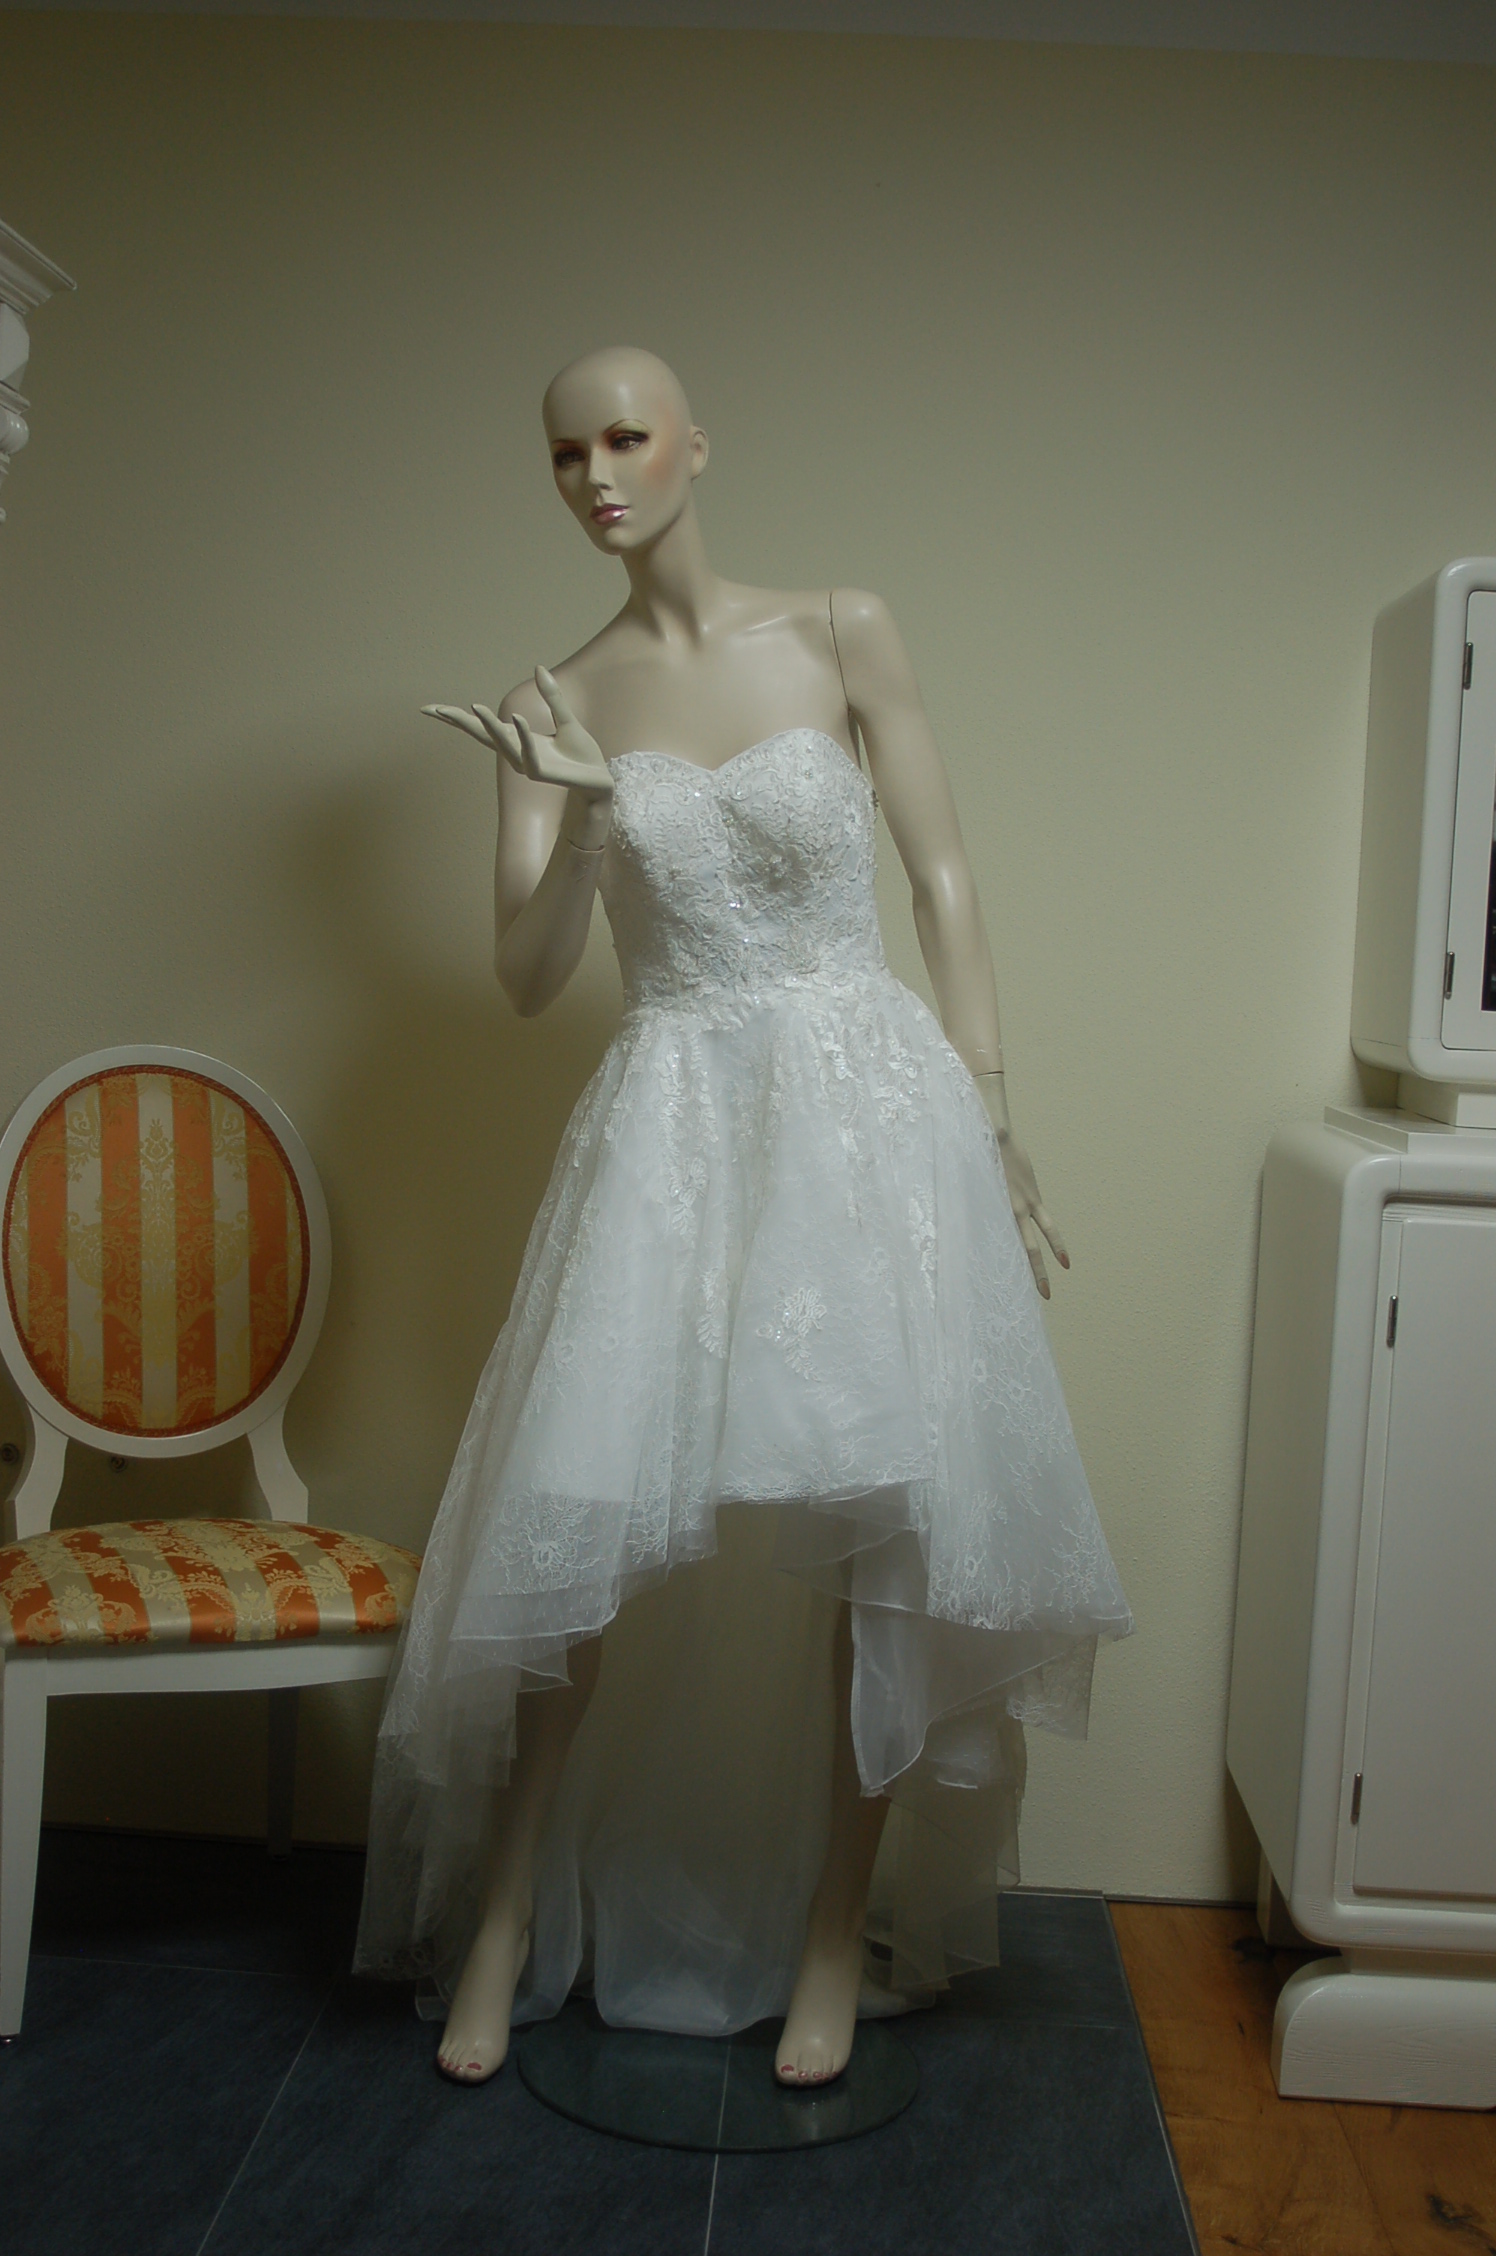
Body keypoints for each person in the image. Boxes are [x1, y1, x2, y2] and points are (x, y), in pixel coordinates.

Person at [353, 346, 1131, 2089]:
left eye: (626, 436)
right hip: (674, 1115)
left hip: (864, 1109)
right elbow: (526, 976)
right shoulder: (552, 697)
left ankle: (837, 1933)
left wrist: (993, 1119)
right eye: (566, 451)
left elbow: (942, 877)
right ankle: (503, 1918)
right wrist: (572, 811)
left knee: (877, 1512)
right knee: (583, 1510)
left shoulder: (844, 626)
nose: (598, 475)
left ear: (695, 444)